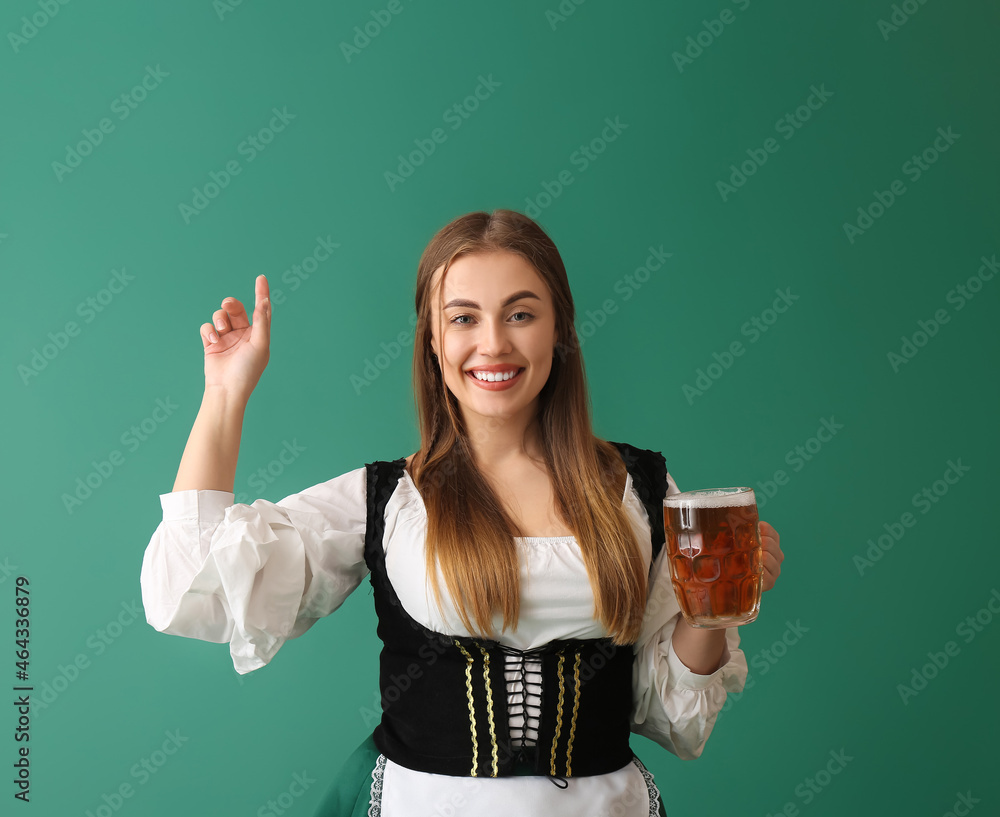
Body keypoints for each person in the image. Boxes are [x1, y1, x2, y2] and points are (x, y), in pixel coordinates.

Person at [140, 209, 784, 816]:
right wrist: (224, 395)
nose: (494, 344)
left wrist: (713, 611)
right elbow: (197, 585)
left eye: (521, 314)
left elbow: (668, 718)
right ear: (433, 342)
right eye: (464, 318)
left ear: (559, 330)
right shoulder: (388, 501)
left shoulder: (640, 489)